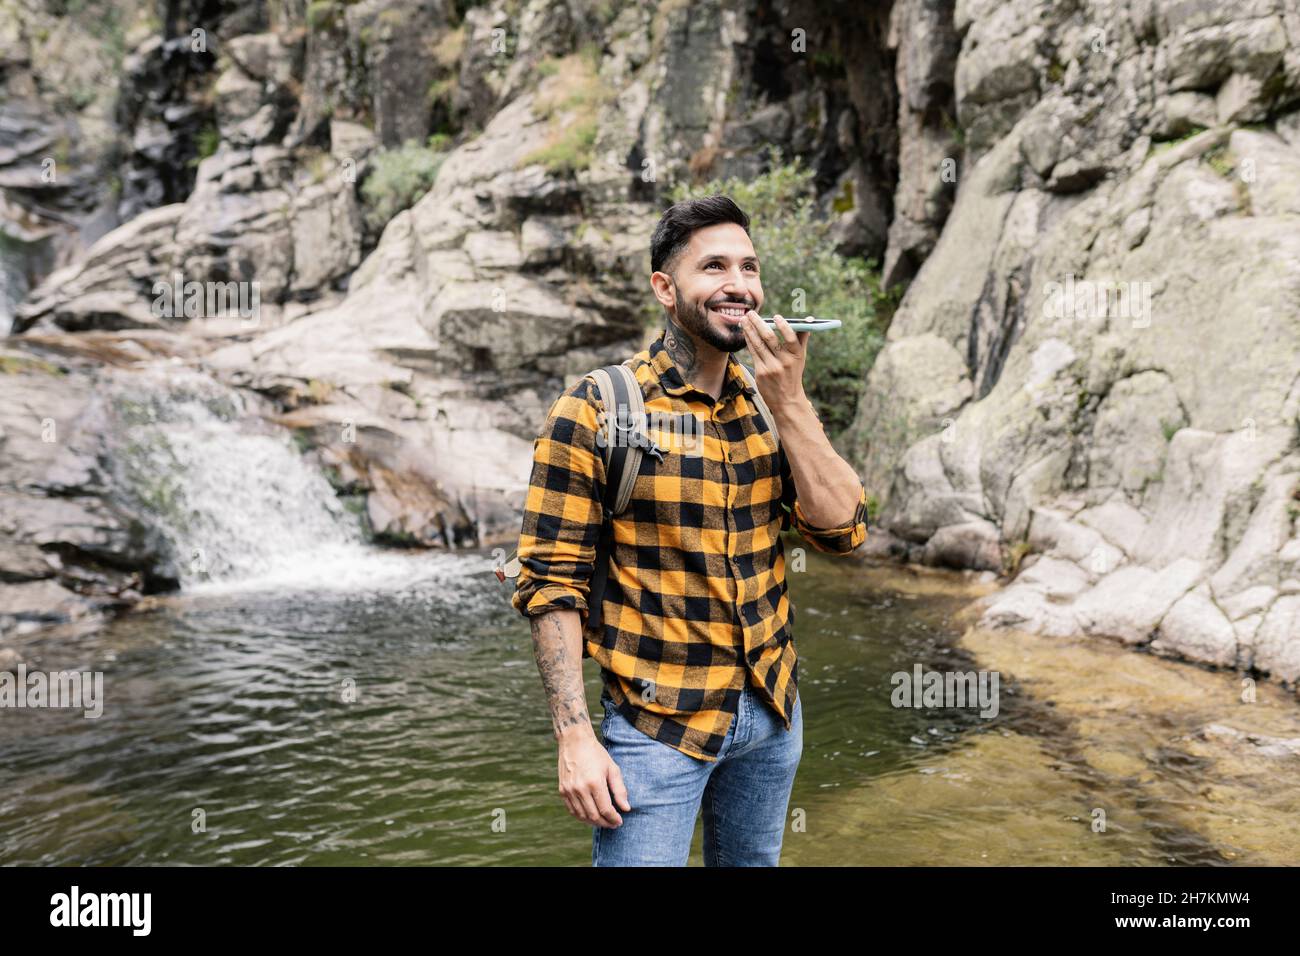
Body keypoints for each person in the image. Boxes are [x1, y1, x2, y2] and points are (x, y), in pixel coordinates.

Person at [511, 194, 869, 866]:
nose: (738, 284)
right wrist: (574, 738)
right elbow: (550, 586)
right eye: (714, 267)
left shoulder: (770, 406)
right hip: (653, 733)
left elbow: (844, 532)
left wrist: (790, 400)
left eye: (749, 267)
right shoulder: (596, 409)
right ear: (665, 289)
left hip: (771, 717)